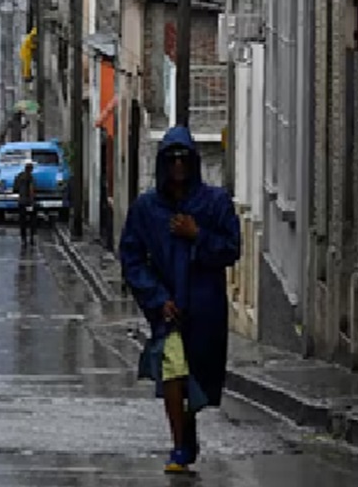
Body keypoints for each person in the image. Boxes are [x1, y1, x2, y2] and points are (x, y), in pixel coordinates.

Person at [119, 126, 241, 474]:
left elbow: (231, 249)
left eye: (183, 159)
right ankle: (178, 447)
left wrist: (197, 235)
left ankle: (188, 429)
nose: (177, 166)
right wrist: (157, 299)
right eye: (170, 159)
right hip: (168, 310)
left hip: (205, 308)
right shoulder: (147, 209)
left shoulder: (214, 203)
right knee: (172, 371)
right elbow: (131, 257)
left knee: (199, 379)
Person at [13, 159, 38, 246]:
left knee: (23, 221)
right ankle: (31, 237)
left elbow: (15, 188)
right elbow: (32, 191)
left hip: (22, 202)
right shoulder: (31, 178)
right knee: (32, 221)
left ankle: (24, 239)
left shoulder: (19, 177)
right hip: (29, 202)